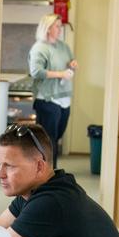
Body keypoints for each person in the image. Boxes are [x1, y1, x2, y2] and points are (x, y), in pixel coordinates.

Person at [28, 13, 77, 169]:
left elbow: (69, 63)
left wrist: (72, 65)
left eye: (60, 25)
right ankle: (48, 175)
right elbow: (36, 71)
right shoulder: (39, 48)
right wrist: (60, 74)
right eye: (57, 26)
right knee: (48, 141)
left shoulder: (63, 46)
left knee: (56, 139)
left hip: (64, 98)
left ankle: (51, 173)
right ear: (48, 28)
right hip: (48, 99)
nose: (60, 28)